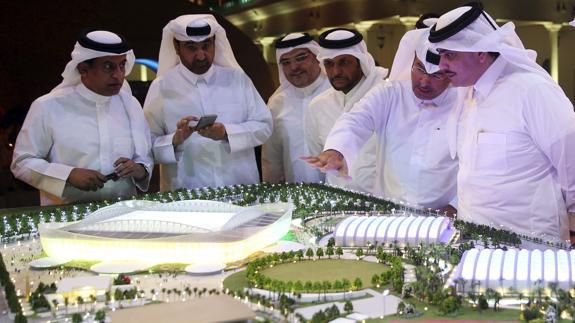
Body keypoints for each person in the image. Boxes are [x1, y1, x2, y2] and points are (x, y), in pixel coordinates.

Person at [428, 2, 575, 241]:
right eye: (441, 55)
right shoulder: (467, 95)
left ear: (481, 52)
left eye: (450, 55)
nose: (442, 65)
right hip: (473, 246)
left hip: (530, 250)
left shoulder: (531, 92)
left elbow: (572, 161)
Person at [303, 26, 460, 213]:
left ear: (451, 75)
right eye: (419, 69)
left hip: (443, 218)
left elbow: (476, 166)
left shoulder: (463, 105)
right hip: (389, 214)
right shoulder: (391, 93)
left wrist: (455, 206)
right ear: (411, 62)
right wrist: (336, 150)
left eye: (436, 75)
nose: (424, 81)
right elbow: (356, 119)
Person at [11, 30, 153, 206]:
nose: (118, 75)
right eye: (108, 67)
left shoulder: (130, 104)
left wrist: (139, 169)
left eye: (122, 65)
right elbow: (22, 162)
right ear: (83, 68)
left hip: (123, 213)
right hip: (67, 220)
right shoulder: (48, 106)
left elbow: (145, 156)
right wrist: (68, 175)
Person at [144, 14, 272, 191]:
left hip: (240, 187)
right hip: (187, 194)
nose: (201, 55)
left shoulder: (238, 80)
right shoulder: (162, 87)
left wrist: (226, 133)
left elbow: (264, 126)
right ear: (176, 46)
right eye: (192, 48)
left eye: (206, 46)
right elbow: (146, 144)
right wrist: (174, 139)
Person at [303, 28, 388, 193]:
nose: (336, 72)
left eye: (344, 62)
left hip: (383, 205)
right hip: (337, 204)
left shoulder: (386, 97)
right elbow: (319, 156)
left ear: (360, 62)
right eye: (329, 64)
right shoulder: (318, 106)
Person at [262, 33, 331, 184]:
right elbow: (272, 160)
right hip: (295, 196)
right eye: (286, 62)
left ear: (316, 57)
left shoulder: (336, 93)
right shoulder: (276, 103)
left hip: (341, 194)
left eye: (301, 58)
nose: (294, 67)